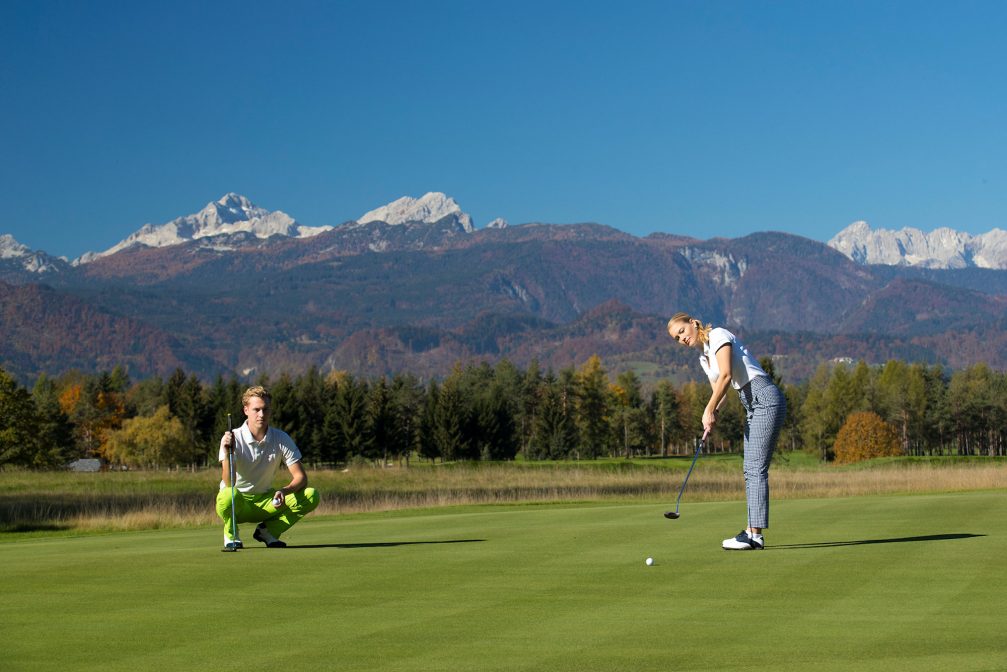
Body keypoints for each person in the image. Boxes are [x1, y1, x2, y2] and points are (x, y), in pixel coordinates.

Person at [667, 312, 786, 551]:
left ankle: (754, 536)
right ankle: (752, 532)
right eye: (677, 339)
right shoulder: (704, 358)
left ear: (693, 323)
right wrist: (712, 416)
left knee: (755, 468)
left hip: (764, 396)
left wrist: (708, 408)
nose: (682, 339)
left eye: (682, 332)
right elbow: (719, 394)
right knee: (750, 468)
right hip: (750, 402)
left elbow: (727, 375)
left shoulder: (718, 335)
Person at [217, 385, 320, 550]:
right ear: (246, 410)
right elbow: (229, 482)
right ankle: (231, 534)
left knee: (311, 495)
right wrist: (229, 451)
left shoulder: (281, 438)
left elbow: (301, 478)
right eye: (256, 409)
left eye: (265, 409)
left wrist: (284, 491)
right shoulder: (232, 438)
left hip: (266, 502)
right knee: (229, 495)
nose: (261, 415)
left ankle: (268, 532)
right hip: (238, 504)